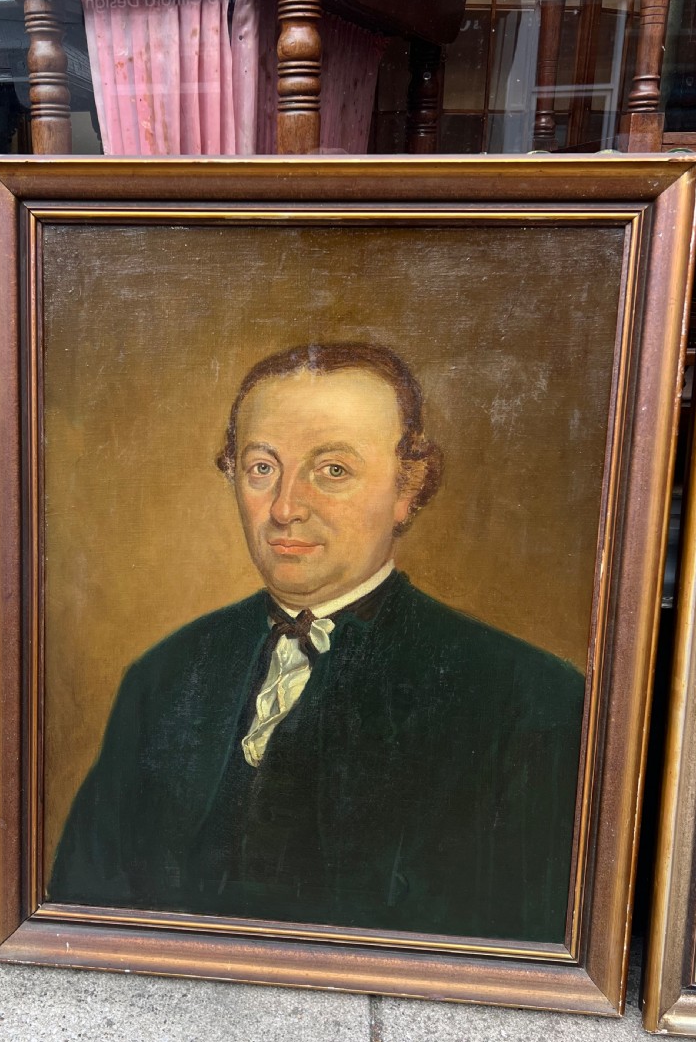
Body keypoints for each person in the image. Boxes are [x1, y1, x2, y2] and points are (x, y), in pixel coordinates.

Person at [49, 342, 585, 943]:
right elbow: (85, 907)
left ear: (407, 488)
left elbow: (514, 949)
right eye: (262, 468)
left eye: (333, 470)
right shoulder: (164, 674)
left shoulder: (527, 700)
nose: (285, 508)